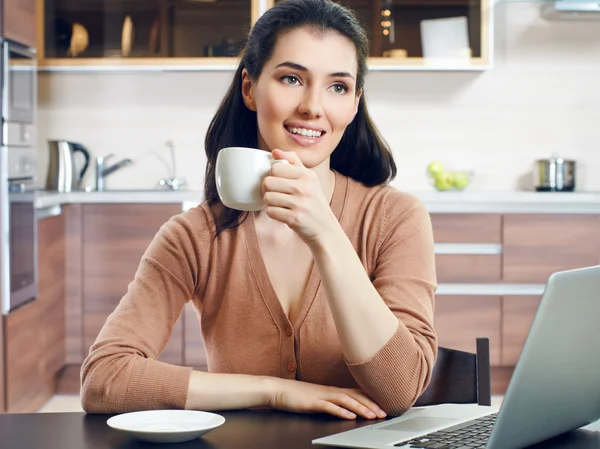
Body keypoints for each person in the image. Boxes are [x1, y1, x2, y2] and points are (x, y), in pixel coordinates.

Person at [81, 0, 437, 420]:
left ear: (355, 103)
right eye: (291, 78)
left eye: (337, 86)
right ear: (250, 88)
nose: (312, 106)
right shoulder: (194, 236)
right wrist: (273, 390)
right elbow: (103, 380)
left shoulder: (395, 218)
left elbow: (400, 389)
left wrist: (324, 232)